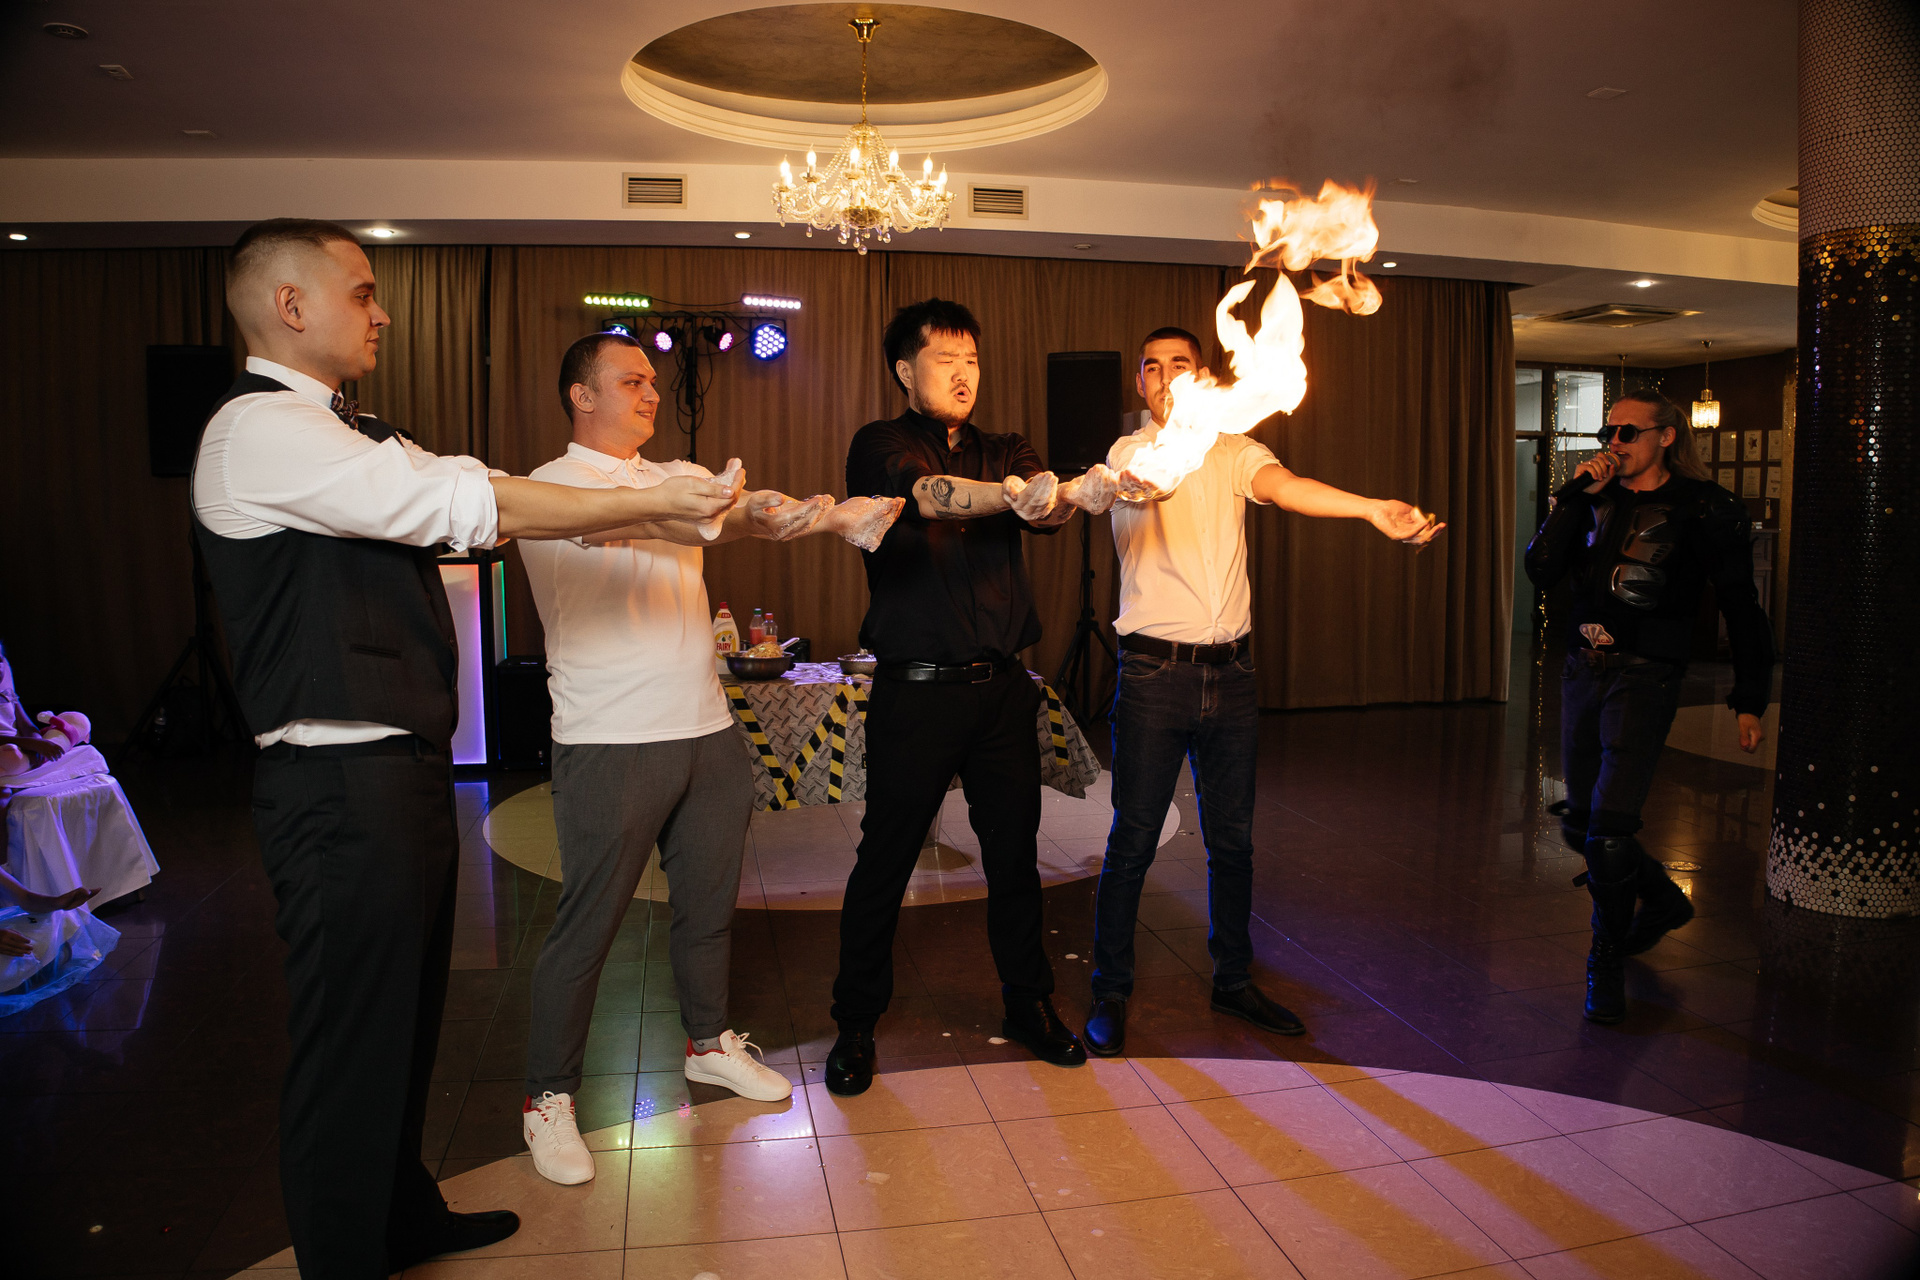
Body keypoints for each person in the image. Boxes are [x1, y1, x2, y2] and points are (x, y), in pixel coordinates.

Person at [193, 219, 736, 1279]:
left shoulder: (355, 432)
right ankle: (346, 1257)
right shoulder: (258, 428)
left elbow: (465, 486)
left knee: (400, 1021)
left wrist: (663, 501)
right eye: (362, 292)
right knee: (349, 1039)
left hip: (393, 772)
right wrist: (646, 497)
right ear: (290, 306)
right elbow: (464, 500)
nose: (382, 313)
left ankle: (401, 1217)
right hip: (333, 777)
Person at [516, 330, 903, 1184]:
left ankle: (708, 1044)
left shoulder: (676, 474)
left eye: (654, 381)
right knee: (589, 927)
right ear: (582, 395)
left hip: (706, 729)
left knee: (708, 910)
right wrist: (718, 508)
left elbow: (745, 513)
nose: (652, 393)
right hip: (609, 739)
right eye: (632, 380)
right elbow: (659, 519)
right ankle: (547, 1098)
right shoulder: (548, 489)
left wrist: (826, 514)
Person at [1081, 327, 1443, 1056]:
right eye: (1152, 367)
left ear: (1204, 376)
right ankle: (1110, 989)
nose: (1164, 377)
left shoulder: (1236, 450)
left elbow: (1289, 489)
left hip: (1233, 677)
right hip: (1153, 676)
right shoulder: (1128, 454)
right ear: (1141, 384)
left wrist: (1371, 508)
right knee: (1133, 841)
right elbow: (1148, 482)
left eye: (1180, 364)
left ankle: (1234, 979)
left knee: (1234, 843)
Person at [824, 298, 1112, 1096]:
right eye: (945, 359)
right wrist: (1014, 496)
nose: (963, 374)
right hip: (915, 695)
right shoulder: (879, 445)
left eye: (973, 360)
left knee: (1014, 858)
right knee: (885, 860)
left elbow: (1045, 508)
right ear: (905, 370)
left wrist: (1077, 492)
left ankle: (1029, 1003)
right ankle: (855, 1023)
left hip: (1001, 694)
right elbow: (927, 496)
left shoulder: (1006, 448)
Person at [1524, 386, 1772, 1025]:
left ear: (1666, 436)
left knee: (1608, 830)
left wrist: (1749, 697)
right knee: (1579, 825)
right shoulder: (1592, 498)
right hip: (1582, 669)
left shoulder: (1704, 507)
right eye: (1609, 432)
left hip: (1646, 675)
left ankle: (1604, 960)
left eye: (1627, 432)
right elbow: (1541, 570)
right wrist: (1574, 496)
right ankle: (1661, 899)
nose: (1614, 443)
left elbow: (1741, 604)